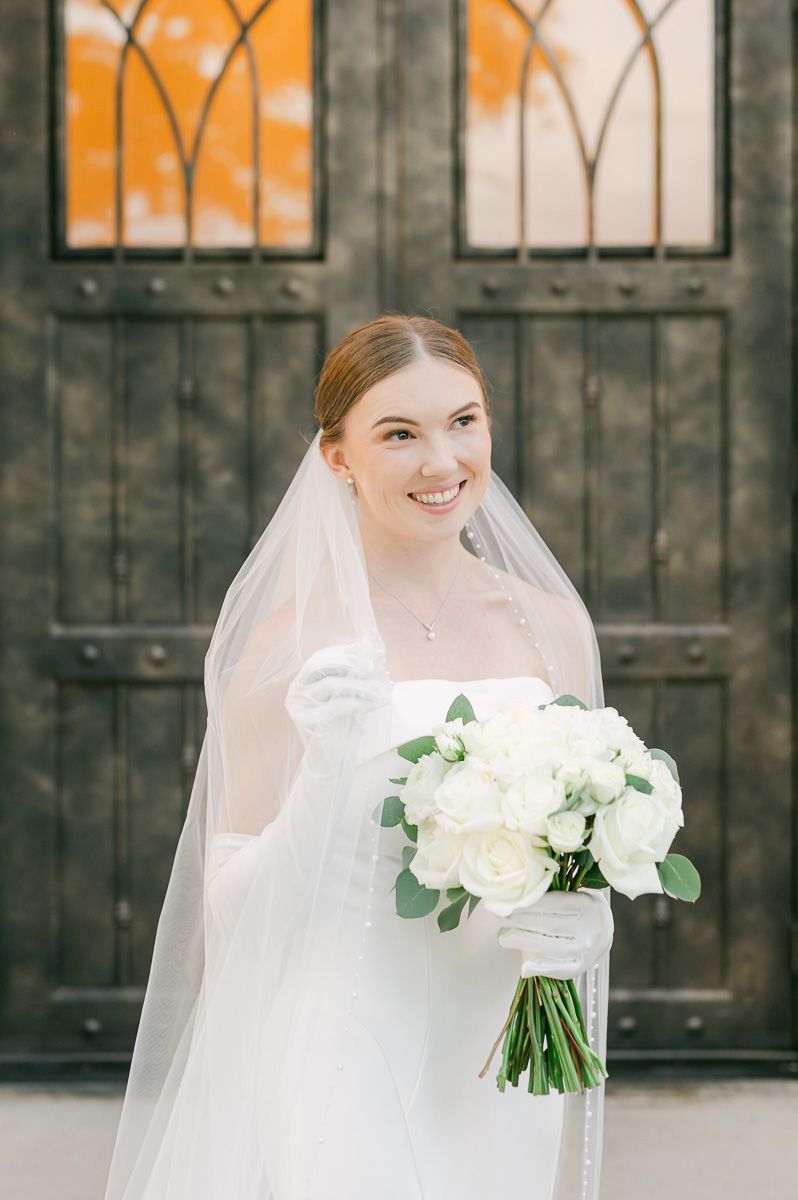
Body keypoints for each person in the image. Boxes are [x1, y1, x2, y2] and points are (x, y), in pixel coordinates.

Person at [103, 314, 613, 1200]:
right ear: (338, 457)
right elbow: (227, 898)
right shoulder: (288, 648)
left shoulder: (549, 626)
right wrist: (322, 784)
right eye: (399, 434)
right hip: (345, 1045)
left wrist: (587, 923)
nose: (442, 462)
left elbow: (584, 839)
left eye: (464, 421)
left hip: (501, 1045)